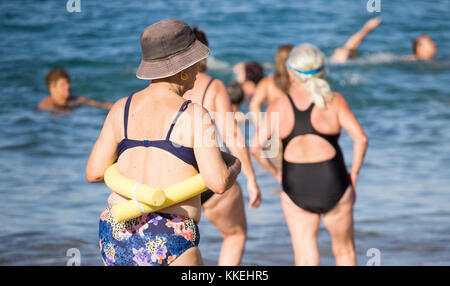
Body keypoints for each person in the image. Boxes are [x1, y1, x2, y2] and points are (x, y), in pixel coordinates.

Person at [86, 19, 241, 266]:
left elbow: (94, 173)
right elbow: (218, 182)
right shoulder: (193, 114)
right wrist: (235, 165)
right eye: (194, 62)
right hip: (169, 234)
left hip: (117, 232)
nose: (198, 70)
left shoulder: (120, 109)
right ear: (181, 69)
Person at [251, 43, 368, 266]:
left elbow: (255, 148)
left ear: (292, 73)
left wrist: (276, 174)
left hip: (296, 184)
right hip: (333, 180)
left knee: (305, 256)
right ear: (321, 70)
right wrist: (354, 174)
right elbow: (361, 138)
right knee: (344, 251)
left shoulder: (278, 105)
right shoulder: (334, 100)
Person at [182, 27, 261, 266]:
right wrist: (251, 179)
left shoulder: (159, 88)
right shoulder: (213, 86)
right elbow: (233, 134)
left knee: (180, 244)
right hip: (209, 177)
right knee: (235, 234)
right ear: (203, 54)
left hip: (176, 179)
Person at [249, 44, 293, 128]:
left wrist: (261, 127)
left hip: (275, 127)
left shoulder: (268, 82)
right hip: (294, 127)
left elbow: (254, 105)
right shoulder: (298, 82)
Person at [38, 69, 112, 112]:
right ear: (52, 88)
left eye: (68, 82)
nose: (68, 86)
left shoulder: (76, 100)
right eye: (62, 84)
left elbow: (100, 104)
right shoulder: (45, 105)